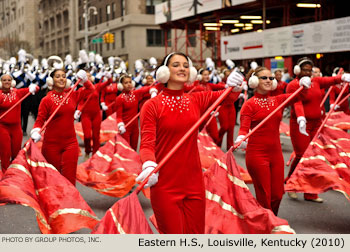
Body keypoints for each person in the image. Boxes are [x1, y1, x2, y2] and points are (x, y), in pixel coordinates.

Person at [136, 52, 244, 233]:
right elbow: (147, 143)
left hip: (194, 183)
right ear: (164, 71)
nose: (182, 69)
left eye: (186, 65)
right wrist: (148, 165)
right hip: (165, 185)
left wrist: (234, 86)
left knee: (195, 237)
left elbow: (227, 98)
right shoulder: (152, 105)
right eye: (176, 65)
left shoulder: (195, 99)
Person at [235, 66, 311, 215]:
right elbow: (243, 129)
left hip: (275, 154)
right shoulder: (249, 104)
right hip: (257, 155)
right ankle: (266, 228)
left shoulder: (278, 100)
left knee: (277, 194)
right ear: (255, 81)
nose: (269, 80)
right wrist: (241, 138)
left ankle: (271, 220)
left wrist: (304, 84)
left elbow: (298, 95)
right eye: (264, 78)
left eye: (271, 78)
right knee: (264, 196)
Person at [286, 57, 350, 202]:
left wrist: (343, 77)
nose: (307, 73)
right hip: (299, 125)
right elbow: (297, 103)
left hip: (316, 124)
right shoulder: (293, 85)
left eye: (310, 70)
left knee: (315, 156)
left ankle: (310, 192)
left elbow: (331, 80)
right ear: (297, 70)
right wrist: (301, 117)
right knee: (301, 155)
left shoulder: (316, 82)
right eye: (305, 70)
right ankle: (291, 182)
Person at [30, 69, 94, 186]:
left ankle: (69, 204)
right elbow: (39, 121)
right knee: (53, 179)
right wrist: (36, 131)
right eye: (58, 76)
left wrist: (85, 80)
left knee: (70, 179)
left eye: (63, 76)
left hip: (70, 143)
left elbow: (91, 90)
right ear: (51, 81)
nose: (61, 79)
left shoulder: (72, 95)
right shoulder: (46, 100)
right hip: (51, 145)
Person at [0, 74, 38, 172]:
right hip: (3, 127)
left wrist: (33, 88)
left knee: (16, 152)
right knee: (5, 152)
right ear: (1, 82)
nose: (7, 82)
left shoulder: (17, 92)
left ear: (12, 82)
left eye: (9, 80)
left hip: (16, 127)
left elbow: (36, 88)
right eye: (4, 80)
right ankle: (5, 173)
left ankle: (14, 173)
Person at [74, 71, 113, 159]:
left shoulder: (97, 87)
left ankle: (95, 154)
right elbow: (80, 103)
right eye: (85, 77)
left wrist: (109, 77)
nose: (87, 78)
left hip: (96, 115)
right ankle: (88, 151)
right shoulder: (81, 90)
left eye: (88, 76)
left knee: (96, 136)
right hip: (86, 115)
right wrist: (78, 111)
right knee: (87, 136)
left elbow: (109, 82)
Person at [114, 75, 157, 151]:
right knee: (126, 150)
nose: (129, 84)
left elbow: (147, 88)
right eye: (126, 83)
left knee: (134, 150)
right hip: (125, 128)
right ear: (121, 85)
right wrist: (120, 125)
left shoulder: (135, 94)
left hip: (135, 127)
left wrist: (153, 91)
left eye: (130, 82)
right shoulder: (119, 98)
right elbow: (118, 117)